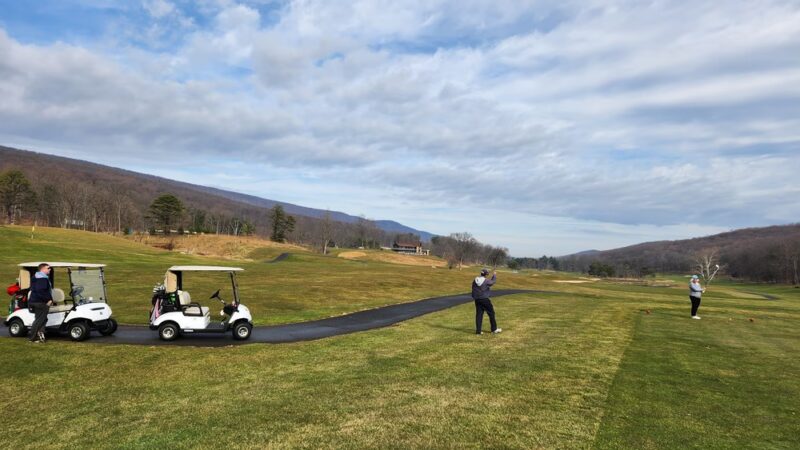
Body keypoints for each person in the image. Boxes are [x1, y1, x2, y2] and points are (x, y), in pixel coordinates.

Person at [28, 263, 54, 342]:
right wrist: (49, 300)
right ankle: (33, 338)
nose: (50, 269)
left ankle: (40, 336)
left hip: (35, 301)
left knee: (42, 319)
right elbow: (41, 291)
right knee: (39, 320)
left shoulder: (37, 276)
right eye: (48, 268)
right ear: (42, 269)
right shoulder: (42, 278)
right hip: (40, 302)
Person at [472, 268, 501, 335]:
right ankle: (494, 329)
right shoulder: (486, 281)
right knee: (491, 313)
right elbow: (492, 282)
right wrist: (494, 275)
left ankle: (478, 331)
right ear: (486, 274)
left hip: (477, 300)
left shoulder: (475, 280)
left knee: (479, 315)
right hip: (485, 299)